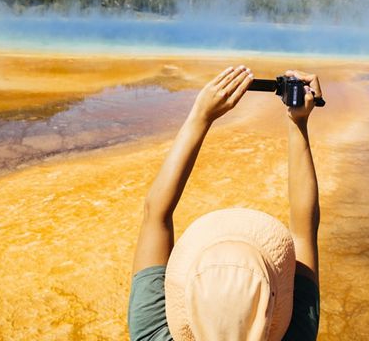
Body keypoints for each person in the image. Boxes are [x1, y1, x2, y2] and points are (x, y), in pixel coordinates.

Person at [128, 65, 322, 340]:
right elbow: (304, 231)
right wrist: (298, 123)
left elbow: (155, 214)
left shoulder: (153, 335)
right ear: (275, 304)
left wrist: (200, 116)